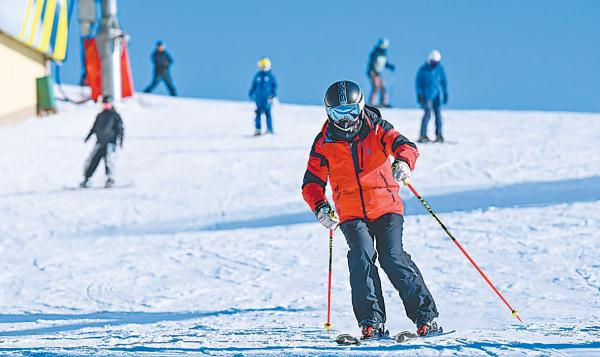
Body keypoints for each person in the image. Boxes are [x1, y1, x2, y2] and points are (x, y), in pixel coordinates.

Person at [302, 80, 440, 339]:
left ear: (361, 107)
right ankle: (371, 322)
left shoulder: (376, 128)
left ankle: (426, 317)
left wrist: (403, 162)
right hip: (351, 214)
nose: (345, 120)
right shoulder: (324, 143)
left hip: (386, 207)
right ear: (328, 112)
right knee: (360, 256)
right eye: (337, 114)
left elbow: (405, 146)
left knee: (392, 256)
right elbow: (312, 182)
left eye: (351, 112)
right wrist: (320, 206)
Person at [80, 97, 124, 188]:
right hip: (100, 142)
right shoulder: (100, 115)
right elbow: (94, 127)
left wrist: (121, 139)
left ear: (111, 104)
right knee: (93, 160)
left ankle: (110, 179)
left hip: (110, 142)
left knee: (109, 161)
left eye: (107, 104)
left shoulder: (115, 115)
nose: (106, 106)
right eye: (104, 105)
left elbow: (120, 128)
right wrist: (88, 136)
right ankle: (87, 179)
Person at [415, 50, 448, 143]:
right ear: (429, 60)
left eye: (436, 62)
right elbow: (418, 83)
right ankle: (423, 135)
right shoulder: (423, 70)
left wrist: (445, 93)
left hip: (436, 96)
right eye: (433, 62)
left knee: (438, 115)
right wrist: (420, 95)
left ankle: (439, 134)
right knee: (427, 114)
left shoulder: (439, 69)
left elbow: (443, 82)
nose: (435, 64)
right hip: (426, 96)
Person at [248, 57, 278, 136]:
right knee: (257, 113)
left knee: (268, 113)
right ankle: (257, 129)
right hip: (258, 99)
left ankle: (269, 129)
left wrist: (273, 95)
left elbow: (274, 86)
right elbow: (253, 85)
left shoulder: (270, 76)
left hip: (267, 99)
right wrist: (251, 93)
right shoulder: (257, 76)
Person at [366, 38, 395, 107]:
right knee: (376, 87)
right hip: (373, 73)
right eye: (382, 46)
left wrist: (390, 66)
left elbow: (385, 63)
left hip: (378, 73)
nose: (383, 48)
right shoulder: (375, 53)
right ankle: (371, 103)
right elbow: (372, 63)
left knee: (383, 87)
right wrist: (372, 71)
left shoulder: (384, 54)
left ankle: (384, 102)